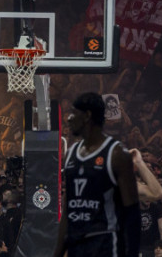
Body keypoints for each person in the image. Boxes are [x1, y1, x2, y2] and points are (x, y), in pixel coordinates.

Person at [52, 93, 139, 257]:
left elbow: (132, 213)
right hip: (76, 244)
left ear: (87, 116)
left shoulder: (117, 154)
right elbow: (68, 209)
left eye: (73, 113)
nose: (69, 119)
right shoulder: (71, 153)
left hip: (105, 243)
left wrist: (131, 253)